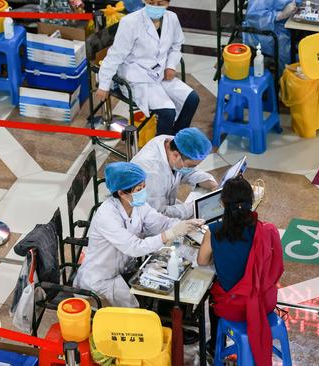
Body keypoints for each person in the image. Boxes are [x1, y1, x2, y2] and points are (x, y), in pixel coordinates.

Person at [73, 162, 204, 307]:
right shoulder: (107, 215)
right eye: (138, 189)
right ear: (122, 193)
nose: (143, 192)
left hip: (124, 270)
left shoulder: (137, 204)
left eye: (143, 186)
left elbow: (161, 223)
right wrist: (170, 234)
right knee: (135, 314)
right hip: (101, 279)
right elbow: (134, 247)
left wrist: (187, 226)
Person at [197, 176, 284, 366]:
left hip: (233, 307)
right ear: (251, 202)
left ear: (222, 203)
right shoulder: (266, 231)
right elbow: (277, 269)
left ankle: (213, 348)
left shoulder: (214, 231)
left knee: (213, 296)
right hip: (264, 303)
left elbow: (202, 261)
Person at [95, 0, 200, 136]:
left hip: (160, 73)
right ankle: (160, 150)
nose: (155, 7)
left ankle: (175, 140)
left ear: (168, 3)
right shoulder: (130, 22)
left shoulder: (172, 18)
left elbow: (176, 46)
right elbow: (115, 56)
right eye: (151, 2)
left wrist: (171, 65)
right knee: (168, 113)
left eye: (160, 3)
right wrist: (104, 85)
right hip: (137, 78)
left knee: (192, 99)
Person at [132, 127, 217, 219]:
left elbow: (189, 172)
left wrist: (212, 184)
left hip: (164, 202)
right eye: (191, 165)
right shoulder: (151, 172)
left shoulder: (175, 143)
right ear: (176, 155)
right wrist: (194, 207)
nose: (192, 168)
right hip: (143, 219)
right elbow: (157, 213)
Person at [243, 0, 299, 75]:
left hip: (283, 25)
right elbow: (254, 17)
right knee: (288, 51)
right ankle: (285, 80)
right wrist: (280, 15)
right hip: (263, 32)